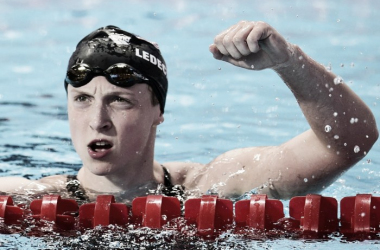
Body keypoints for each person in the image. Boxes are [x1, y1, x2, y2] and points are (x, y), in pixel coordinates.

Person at [0, 21, 377, 203]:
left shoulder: (210, 186)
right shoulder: (29, 198)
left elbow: (350, 141)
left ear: (158, 112)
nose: (97, 120)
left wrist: (289, 62)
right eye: (81, 99)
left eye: (120, 100)